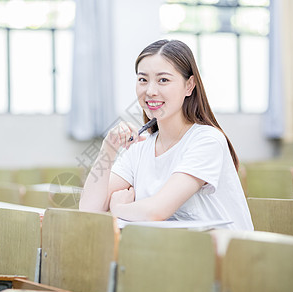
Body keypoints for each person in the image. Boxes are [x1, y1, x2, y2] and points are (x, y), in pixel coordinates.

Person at [79, 39, 253, 230]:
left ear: (189, 85)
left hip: (223, 254)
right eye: (143, 80)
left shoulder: (207, 140)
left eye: (163, 80)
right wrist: (108, 149)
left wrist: (118, 207)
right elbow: (89, 211)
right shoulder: (139, 146)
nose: (151, 91)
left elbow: (156, 211)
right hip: (174, 253)